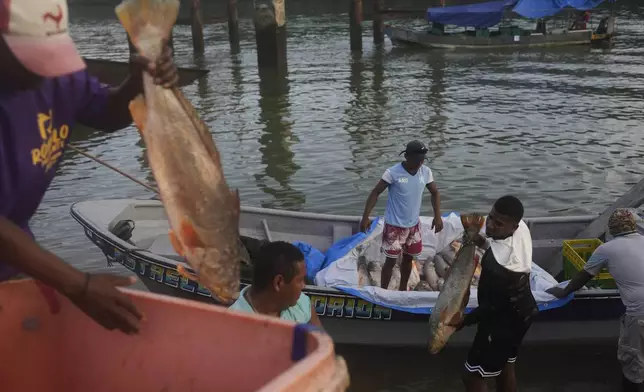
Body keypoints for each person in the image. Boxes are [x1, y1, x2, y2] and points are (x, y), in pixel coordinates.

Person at [0, 0, 178, 334]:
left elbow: (106, 112)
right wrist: (78, 285)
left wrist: (138, 82)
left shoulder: (60, 76)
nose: (45, 70)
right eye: (32, 57)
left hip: (14, 259)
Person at [548, 209, 644, 392]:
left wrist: (562, 291)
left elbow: (582, 278)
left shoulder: (606, 249)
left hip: (639, 315)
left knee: (635, 369)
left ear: (611, 230)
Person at [449, 196, 538, 392]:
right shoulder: (521, 227)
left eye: (498, 223)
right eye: (490, 217)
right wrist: (480, 240)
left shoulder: (498, 265)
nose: (490, 225)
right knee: (506, 366)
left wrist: (463, 321)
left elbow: (491, 307)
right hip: (525, 312)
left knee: (473, 375)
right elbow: (496, 243)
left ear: (513, 227)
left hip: (502, 322)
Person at [359, 140, 443, 291]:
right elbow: (375, 193)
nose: (420, 164)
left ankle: (403, 289)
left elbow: (435, 193)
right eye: (417, 160)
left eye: (422, 160)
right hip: (394, 227)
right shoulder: (393, 173)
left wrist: (438, 216)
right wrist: (365, 217)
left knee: (408, 259)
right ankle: (383, 292)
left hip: (413, 226)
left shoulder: (425, 172)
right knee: (390, 262)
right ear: (407, 157)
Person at [229, 241, 323, 327]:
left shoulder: (301, 304)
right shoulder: (233, 324)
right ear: (278, 282)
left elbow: (323, 341)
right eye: (300, 280)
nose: (303, 286)